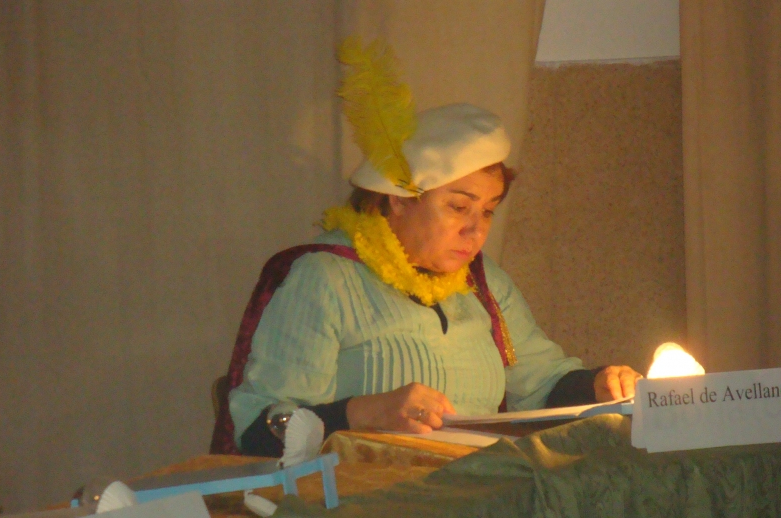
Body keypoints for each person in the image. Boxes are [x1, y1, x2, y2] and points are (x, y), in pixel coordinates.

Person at [210, 102, 641, 457]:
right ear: (399, 200)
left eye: (488, 211)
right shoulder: (324, 278)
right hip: (366, 507)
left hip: (476, 497)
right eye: (458, 207)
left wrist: (600, 385)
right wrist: (363, 413)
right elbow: (259, 430)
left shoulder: (484, 282)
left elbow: (541, 384)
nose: (476, 231)